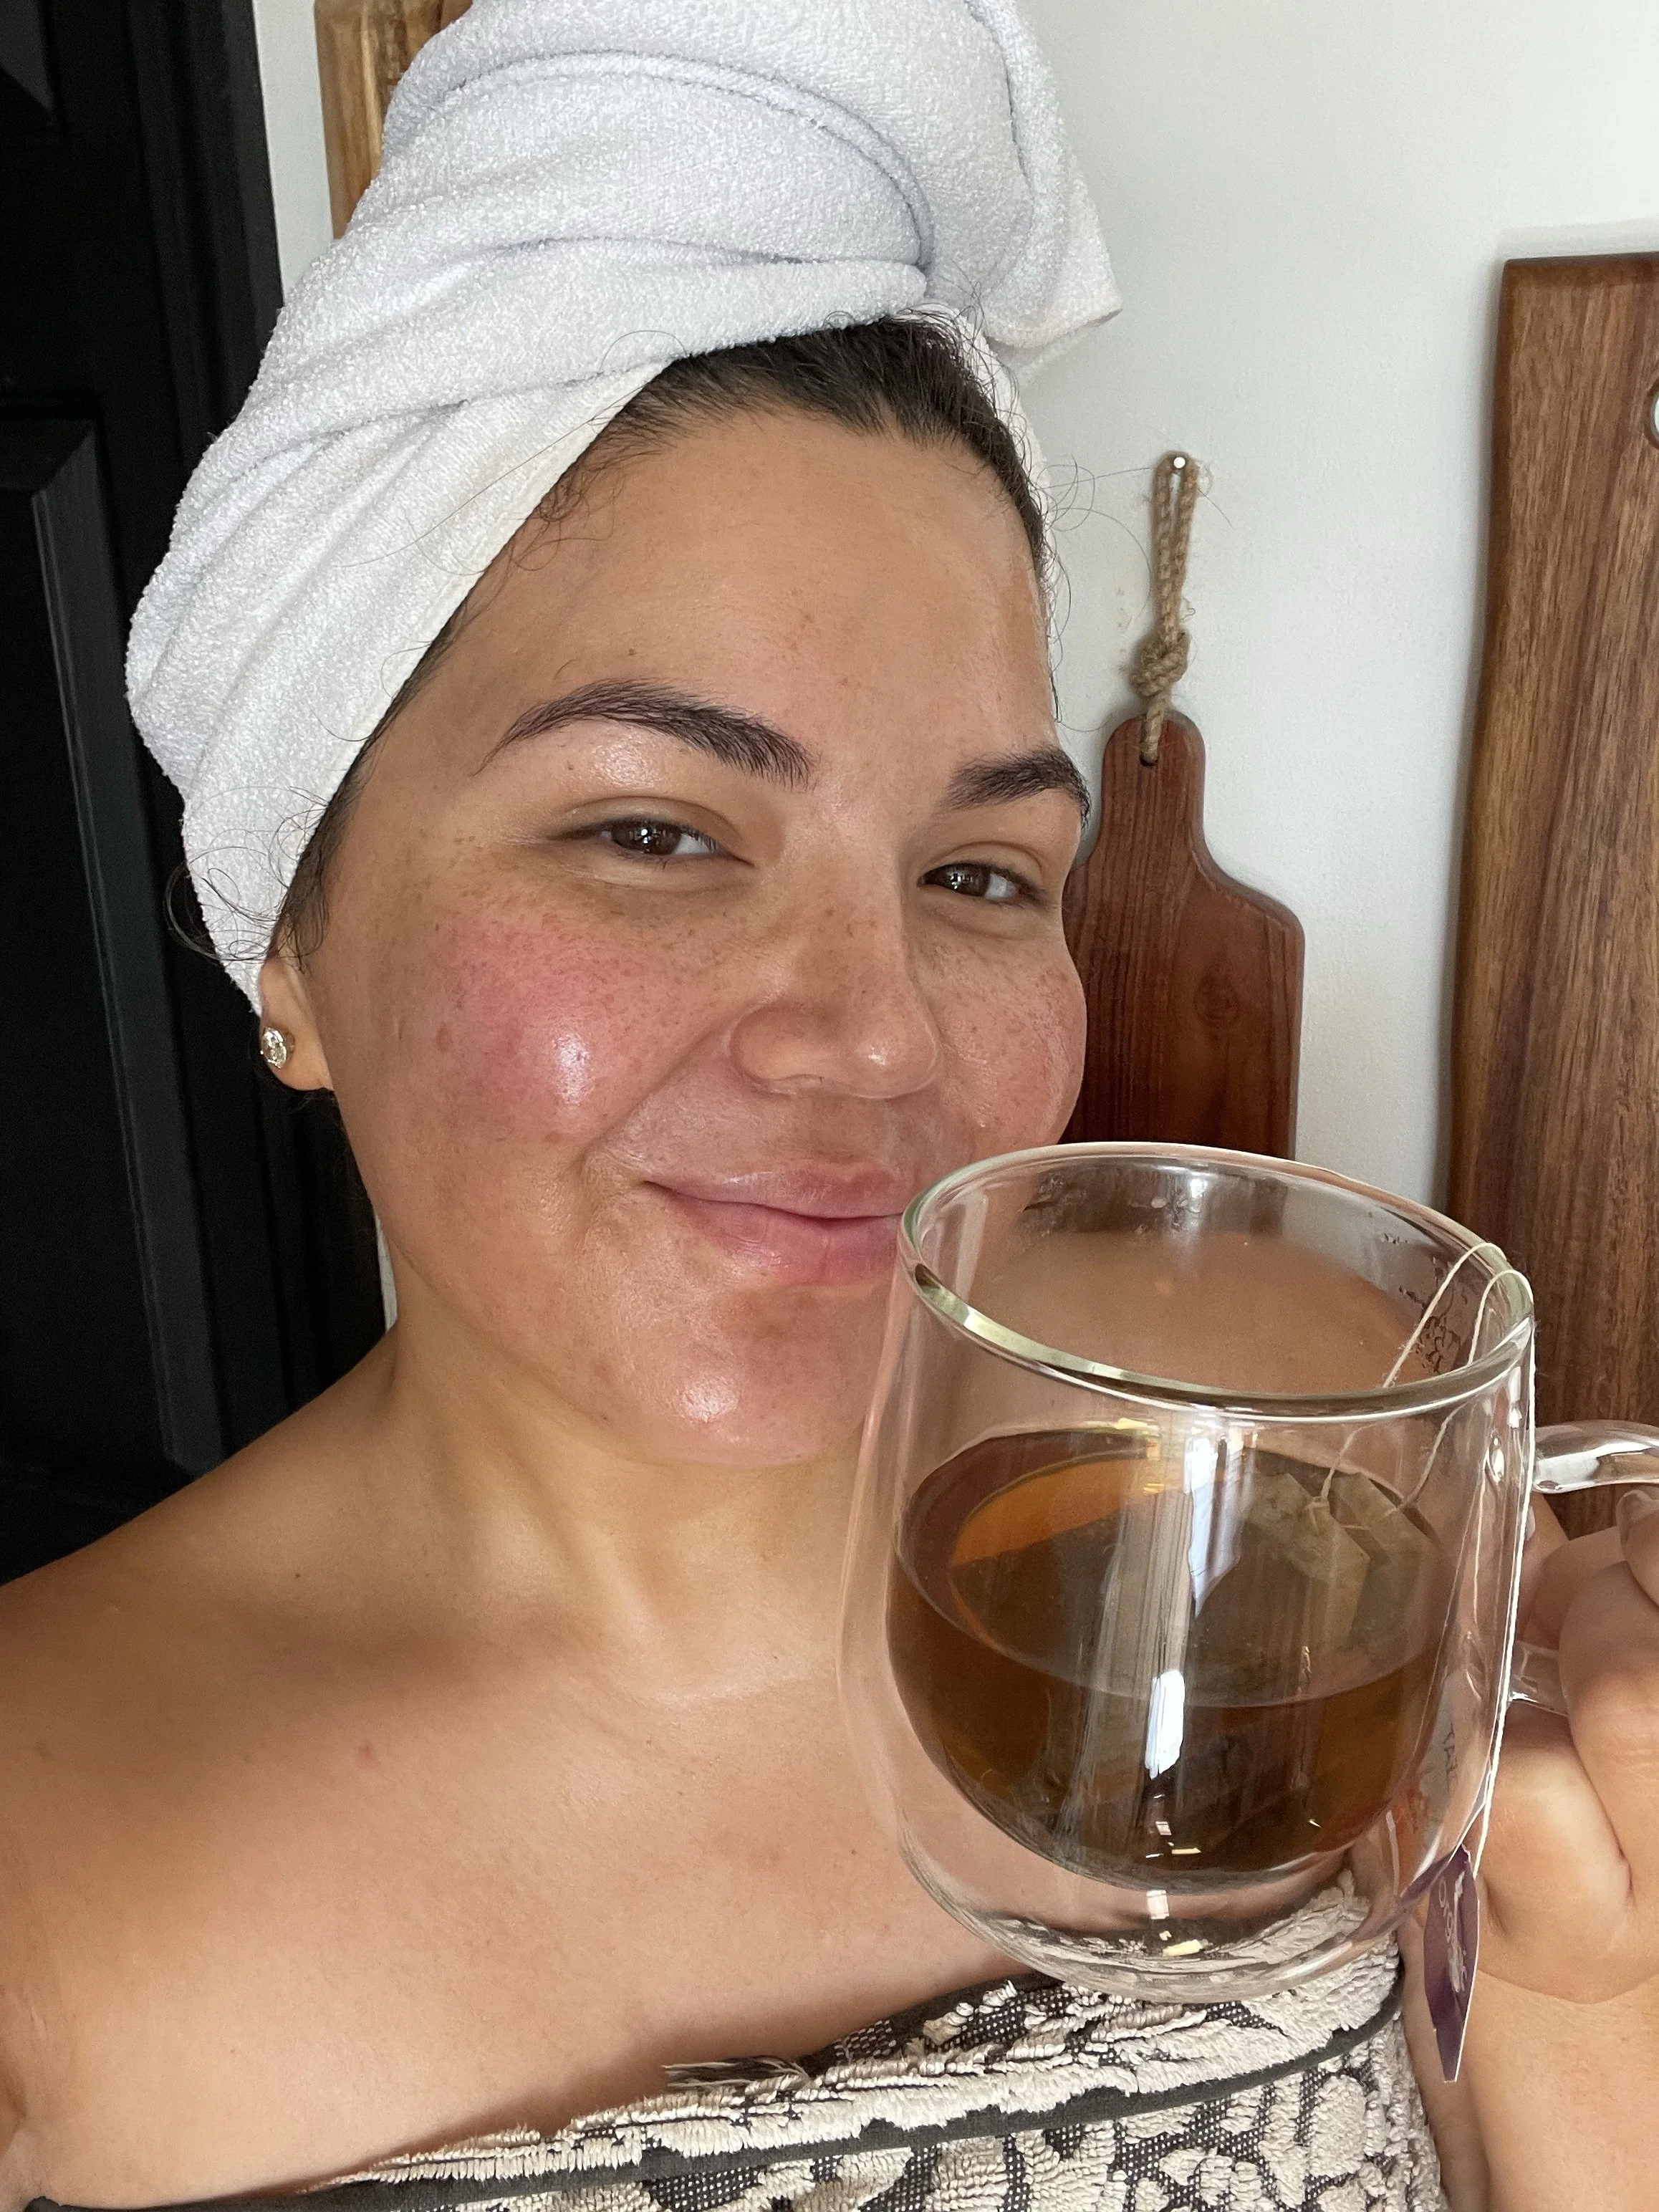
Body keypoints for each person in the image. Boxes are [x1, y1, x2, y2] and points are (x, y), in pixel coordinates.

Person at [1, 7, 1655, 2211]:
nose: (874, 1041)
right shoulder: (45, 1836)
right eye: (652, 833)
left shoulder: (1296, 1436)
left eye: (977, 874)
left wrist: (1590, 1964)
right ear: (284, 946)